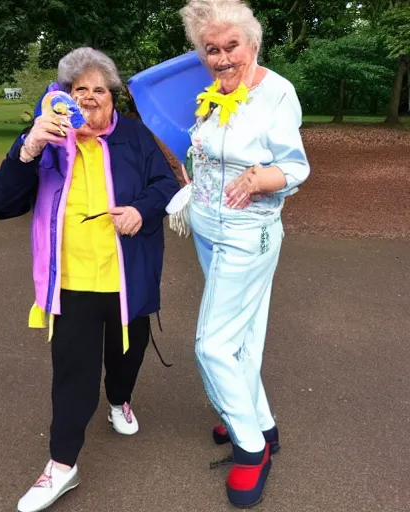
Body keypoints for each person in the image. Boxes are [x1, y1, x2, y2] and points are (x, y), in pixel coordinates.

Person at [0, 47, 179, 512]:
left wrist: (141, 210)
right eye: (80, 91)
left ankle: (120, 400)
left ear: (113, 98)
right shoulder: (47, 139)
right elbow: (1, 203)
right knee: (73, 373)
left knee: (126, 356)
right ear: (64, 96)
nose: (91, 99)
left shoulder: (135, 136)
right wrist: (28, 148)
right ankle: (62, 464)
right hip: (71, 280)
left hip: (127, 276)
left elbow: (167, 184)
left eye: (100, 91)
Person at [178, 0, 311, 507]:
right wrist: (197, 167)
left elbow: (295, 169)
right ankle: (260, 422)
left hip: (247, 233)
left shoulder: (276, 92)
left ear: (252, 44)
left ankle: (252, 451)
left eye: (231, 46)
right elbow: (210, 148)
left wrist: (261, 178)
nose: (221, 58)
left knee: (212, 345)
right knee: (244, 337)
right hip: (209, 229)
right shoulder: (213, 94)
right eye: (211, 49)